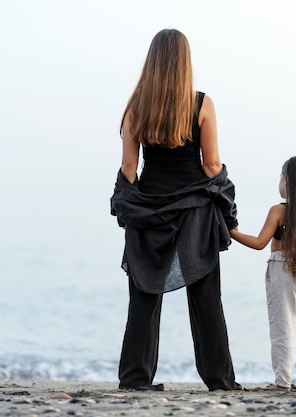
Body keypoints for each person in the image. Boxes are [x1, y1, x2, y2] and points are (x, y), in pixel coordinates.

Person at [110, 29, 241, 391]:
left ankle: (135, 379)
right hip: (195, 211)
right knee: (205, 298)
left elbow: (128, 170)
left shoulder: (136, 107)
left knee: (143, 297)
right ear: (185, 61)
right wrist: (229, 209)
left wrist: (127, 205)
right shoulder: (201, 104)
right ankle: (219, 381)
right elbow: (212, 165)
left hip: (149, 210)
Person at [229, 156, 296, 393]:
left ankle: (282, 382)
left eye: (281, 176)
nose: (279, 182)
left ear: (289, 181)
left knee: (282, 327)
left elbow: (259, 243)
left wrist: (231, 231)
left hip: (283, 269)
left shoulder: (279, 210)